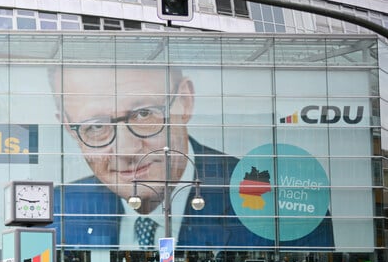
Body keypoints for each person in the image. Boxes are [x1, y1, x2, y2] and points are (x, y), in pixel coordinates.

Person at [50, 66, 334, 249]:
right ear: (69, 130)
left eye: (144, 114)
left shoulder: (285, 212)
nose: (125, 151)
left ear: (184, 102)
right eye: (96, 127)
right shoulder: (55, 215)